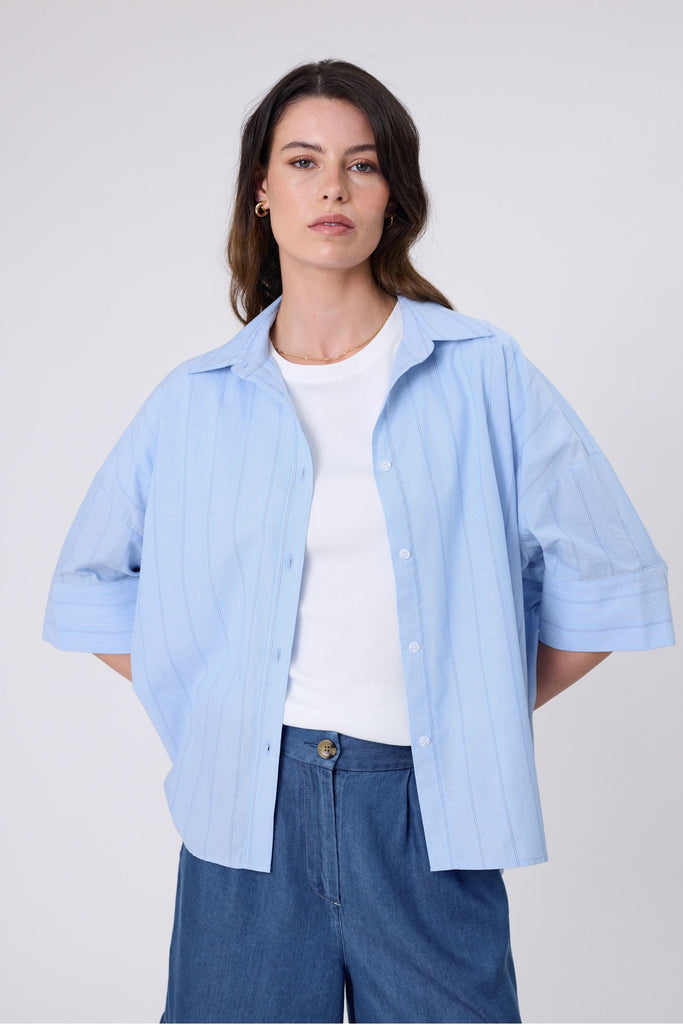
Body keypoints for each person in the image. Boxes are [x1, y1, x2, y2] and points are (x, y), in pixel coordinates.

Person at [43, 58, 675, 1024]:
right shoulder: (195, 400)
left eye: (361, 164)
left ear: (393, 195)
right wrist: (220, 693)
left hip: (423, 806)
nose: (331, 187)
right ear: (263, 191)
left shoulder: (479, 373)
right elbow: (91, 582)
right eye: (302, 161)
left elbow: (612, 574)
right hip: (248, 816)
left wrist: (475, 696)